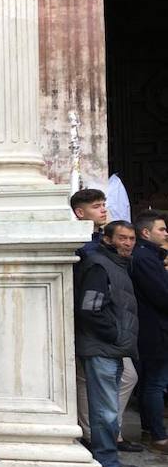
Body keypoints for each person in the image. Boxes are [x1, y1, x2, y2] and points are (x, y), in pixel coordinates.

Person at [71, 190, 143, 453]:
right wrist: (112, 331)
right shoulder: (87, 248)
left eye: (104, 205)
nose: (103, 210)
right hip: (98, 332)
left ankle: (111, 433)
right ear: (80, 212)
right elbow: (89, 302)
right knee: (89, 382)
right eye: (96, 206)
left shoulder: (104, 249)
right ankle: (96, 436)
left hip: (112, 332)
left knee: (125, 377)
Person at [130, 211, 168, 455]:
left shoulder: (147, 256)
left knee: (150, 382)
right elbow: (161, 294)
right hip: (154, 329)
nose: (166, 234)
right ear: (146, 232)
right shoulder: (145, 258)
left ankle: (150, 430)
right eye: (162, 229)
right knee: (155, 382)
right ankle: (158, 435)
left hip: (151, 328)